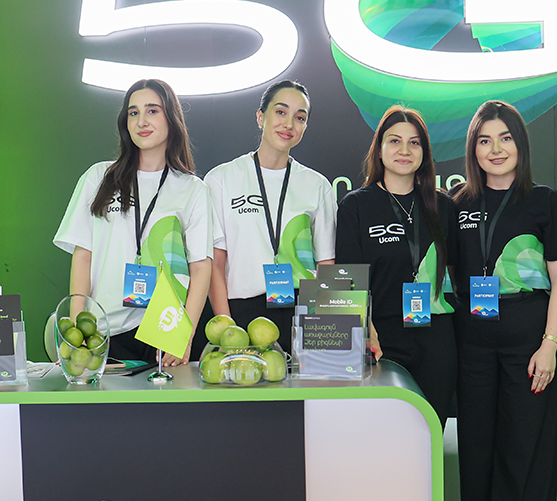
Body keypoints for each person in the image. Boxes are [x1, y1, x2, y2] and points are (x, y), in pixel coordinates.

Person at [448, 100, 557, 501]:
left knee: (523, 447)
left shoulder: (546, 202)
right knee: (478, 446)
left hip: (529, 338)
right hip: (473, 338)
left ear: (520, 145)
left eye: (505, 138)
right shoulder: (458, 204)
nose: (496, 149)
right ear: (473, 150)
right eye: (485, 140)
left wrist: (550, 344)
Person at [53, 79, 212, 365]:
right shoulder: (98, 177)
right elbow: (83, 256)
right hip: (104, 331)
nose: (141, 121)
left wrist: (184, 338)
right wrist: (79, 330)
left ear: (171, 118)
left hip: (163, 330)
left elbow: (201, 267)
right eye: (133, 112)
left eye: (152, 111)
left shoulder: (192, 189)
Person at [334, 105, 456, 427]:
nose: (405, 150)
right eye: (395, 141)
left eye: (414, 143)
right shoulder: (356, 205)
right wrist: (365, 329)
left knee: (429, 432)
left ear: (424, 152)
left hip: (437, 337)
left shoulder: (443, 206)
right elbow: (346, 279)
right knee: (383, 434)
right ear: (379, 149)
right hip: (381, 338)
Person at [205, 80, 337, 352]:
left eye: (299, 117)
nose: (289, 124)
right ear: (260, 116)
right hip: (242, 312)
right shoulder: (221, 179)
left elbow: (326, 265)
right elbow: (215, 265)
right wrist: (228, 328)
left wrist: (326, 328)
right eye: (280, 112)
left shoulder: (317, 185)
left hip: (304, 311)